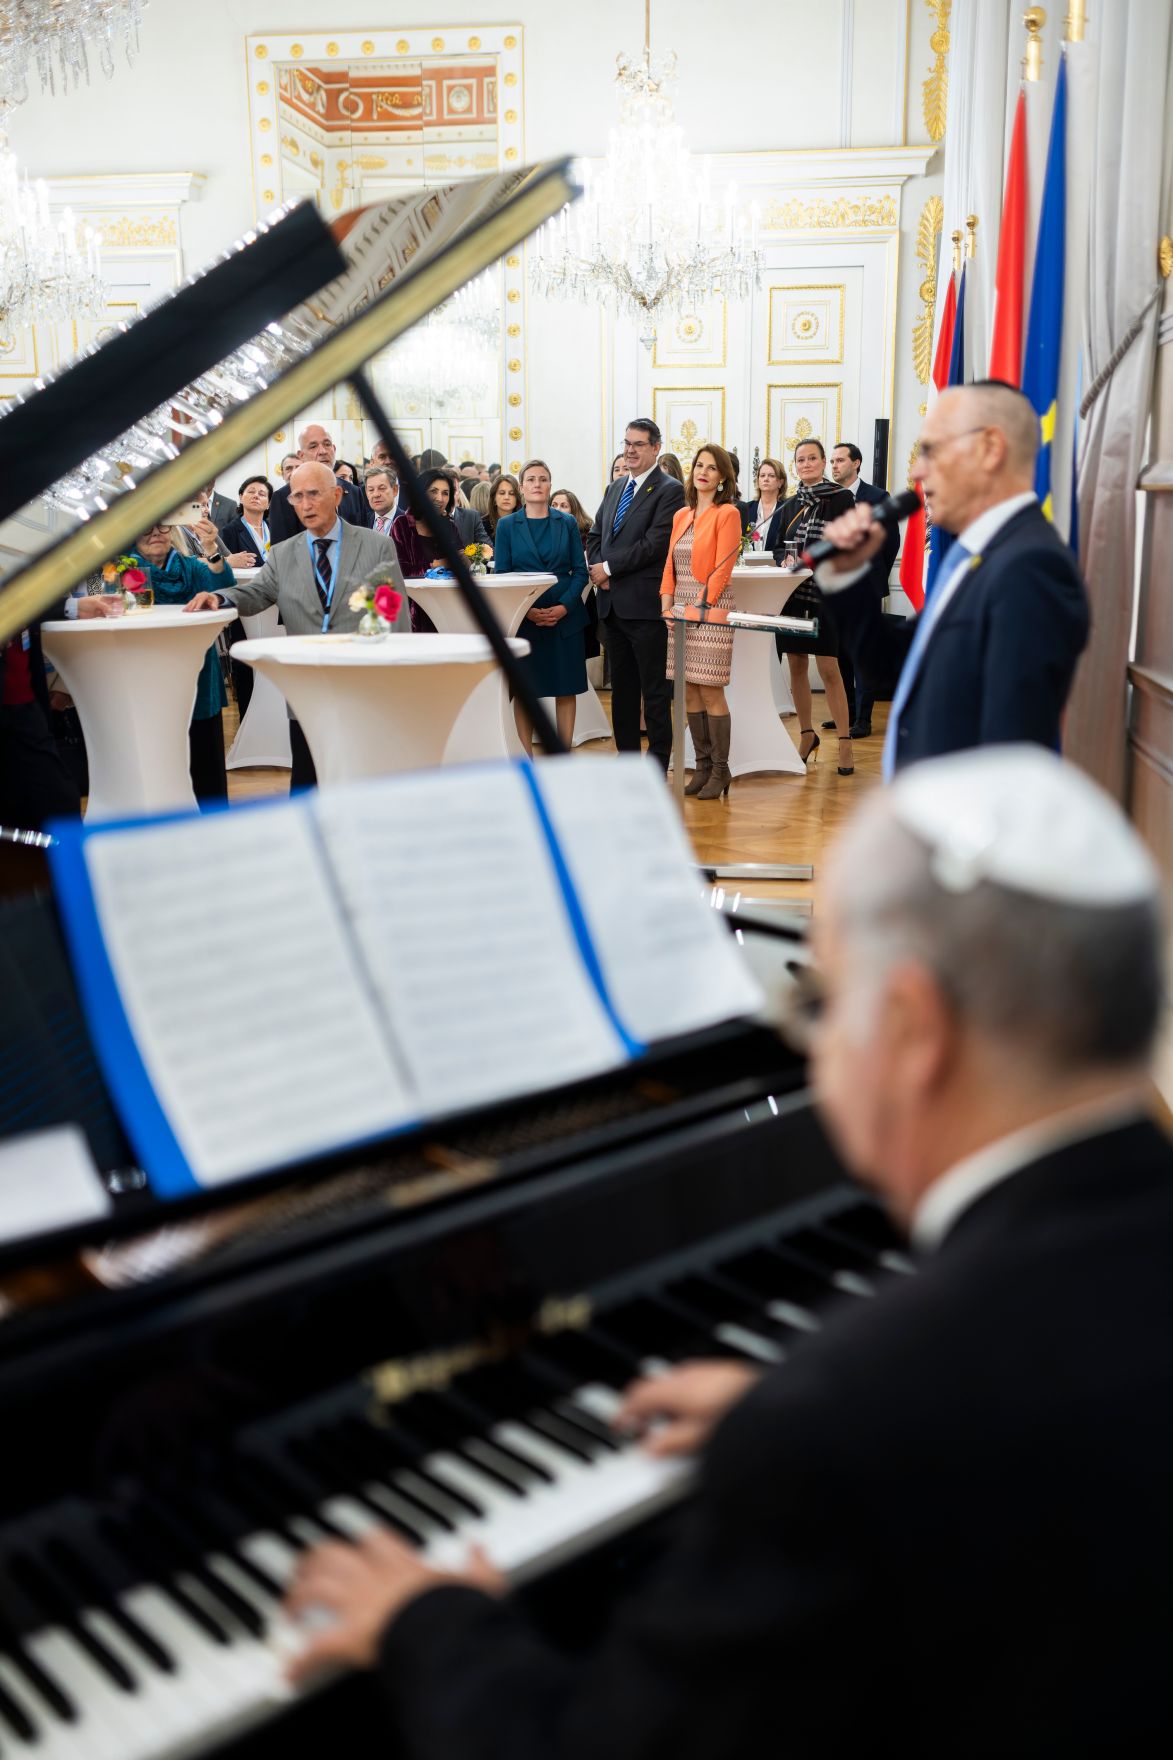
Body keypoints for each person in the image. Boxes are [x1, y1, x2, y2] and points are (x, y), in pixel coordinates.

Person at [282, 743, 1173, 1757]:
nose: (816, 1042)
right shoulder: (884, 1400)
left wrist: (430, 1625)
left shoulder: (847, 1421)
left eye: (821, 998)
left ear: (915, 1028)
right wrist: (795, 1412)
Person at [816, 381, 1089, 779]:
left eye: (932, 450)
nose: (917, 471)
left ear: (990, 448)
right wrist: (847, 575)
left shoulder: (1030, 568)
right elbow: (889, 664)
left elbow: (1007, 757)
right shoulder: (974, 557)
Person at [187, 462, 405, 790]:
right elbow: (257, 593)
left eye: (313, 494)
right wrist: (220, 598)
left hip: (362, 679)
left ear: (337, 495)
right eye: (297, 496)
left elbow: (393, 613)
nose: (305, 504)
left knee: (366, 776)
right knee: (307, 779)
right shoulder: (284, 553)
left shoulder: (375, 545)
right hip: (307, 682)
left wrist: (393, 674)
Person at [586, 419, 685, 770]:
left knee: (654, 692)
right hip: (612, 607)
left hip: (645, 608)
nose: (630, 450)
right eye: (627, 443)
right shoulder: (615, 488)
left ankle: (658, 764)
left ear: (656, 447)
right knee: (622, 692)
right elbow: (595, 536)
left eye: (638, 444)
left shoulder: (670, 489)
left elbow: (655, 544)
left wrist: (609, 569)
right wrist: (598, 570)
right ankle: (627, 763)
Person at [132, 520, 236, 802]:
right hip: (145, 672)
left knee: (205, 758)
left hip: (197, 671)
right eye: (146, 528)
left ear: (173, 531)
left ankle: (212, 824)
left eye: (162, 527)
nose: (155, 533)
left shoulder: (191, 566)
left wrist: (212, 548)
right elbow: (95, 598)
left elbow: (226, 588)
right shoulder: (116, 568)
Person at [660, 444, 742, 798]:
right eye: (698, 465)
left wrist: (700, 605)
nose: (703, 472)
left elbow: (724, 567)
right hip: (679, 610)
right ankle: (703, 767)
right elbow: (669, 565)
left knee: (710, 689)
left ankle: (721, 771)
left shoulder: (728, 514)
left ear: (722, 477)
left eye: (711, 467)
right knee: (688, 689)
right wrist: (667, 604)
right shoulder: (682, 514)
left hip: (711, 609)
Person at [494, 459, 589, 753]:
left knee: (566, 688)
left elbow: (580, 572)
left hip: (565, 618)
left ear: (550, 485)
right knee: (526, 691)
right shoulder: (507, 525)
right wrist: (527, 610)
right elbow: (502, 575)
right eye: (531, 479)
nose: (537, 484)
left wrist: (564, 607)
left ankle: (563, 753)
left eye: (543, 479)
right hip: (525, 619)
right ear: (522, 487)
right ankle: (527, 756)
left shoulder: (568, 522)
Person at [773, 439, 855, 774]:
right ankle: (807, 735)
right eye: (800, 459)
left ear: (823, 463)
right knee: (796, 665)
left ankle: (846, 743)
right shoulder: (790, 503)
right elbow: (777, 546)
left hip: (826, 594)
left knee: (829, 669)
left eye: (812, 458)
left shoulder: (841, 498)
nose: (806, 464)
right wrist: (785, 559)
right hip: (793, 593)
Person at [829, 442, 898, 739]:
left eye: (839, 460)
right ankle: (847, 713)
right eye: (831, 461)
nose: (834, 466)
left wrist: (872, 574)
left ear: (856, 463)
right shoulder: (829, 497)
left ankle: (864, 718)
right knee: (840, 653)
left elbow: (890, 543)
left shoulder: (878, 497)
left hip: (866, 586)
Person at [268, 424, 375, 542]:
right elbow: (282, 552)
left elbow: (364, 540)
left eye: (327, 444)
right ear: (301, 456)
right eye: (313, 446)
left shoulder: (354, 492)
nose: (323, 451)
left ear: (334, 449)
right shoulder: (283, 497)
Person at [389, 468, 461, 580]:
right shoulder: (402, 525)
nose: (440, 498)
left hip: (447, 595)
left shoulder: (449, 527)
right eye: (433, 491)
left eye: (445, 493)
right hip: (414, 595)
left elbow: (460, 565)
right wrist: (436, 565)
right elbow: (399, 570)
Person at [219, 475, 273, 568]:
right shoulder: (230, 531)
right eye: (251, 492)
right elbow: (226, 567)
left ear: (268, 503)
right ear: (241, 498)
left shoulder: (275, 529)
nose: (256, 496)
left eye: (262, 494)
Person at [738, 456, 788, 553]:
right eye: (762, 475)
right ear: (758, 481)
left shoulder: (787, 509)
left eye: (771, 476)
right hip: (748, 565)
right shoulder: (747, 508)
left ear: (780, 482)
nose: (766, 479)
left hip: (777, 565)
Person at [364, 466, 401, 534]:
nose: (376, 494)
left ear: (395, 490)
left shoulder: (409, 523)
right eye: (371, 490)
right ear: (366, 493)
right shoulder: (362, 522)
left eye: (382, 488)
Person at [486, 473, 520, 541]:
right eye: (502, 493)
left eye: (512, 494)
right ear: (494, 498)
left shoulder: (525, 523)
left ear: (517, 498)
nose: (506, 497)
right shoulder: (482, 525)